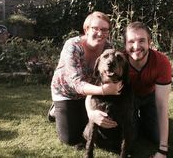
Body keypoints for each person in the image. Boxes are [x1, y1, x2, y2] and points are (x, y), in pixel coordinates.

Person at [86, 21, 172, 157]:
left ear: (149, 42)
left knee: (156, 136)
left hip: (149, 97)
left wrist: (163, 149)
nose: (136, 46)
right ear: (125, 45)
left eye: (141, 41)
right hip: (127, 97)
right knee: (133, 133)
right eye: (131, 41)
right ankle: (138, 119)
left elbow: (162, 105)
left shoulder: (162, 63)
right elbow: (93, 93)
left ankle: (146, 118)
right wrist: (91, 113)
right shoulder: (118, 60)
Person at [49, 11, 122, 146]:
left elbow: (109, 74)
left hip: (92, 92)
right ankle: (55, 109)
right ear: (86, 29)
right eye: (95, 28)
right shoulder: (72, 46)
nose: (100, 33)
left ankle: (79, 111)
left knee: (92, 125)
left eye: (104, 30)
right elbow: (76, 83)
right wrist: (104, 91)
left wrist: (91, 111)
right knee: (71, 139)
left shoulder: (108, 48)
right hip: (66, 93)